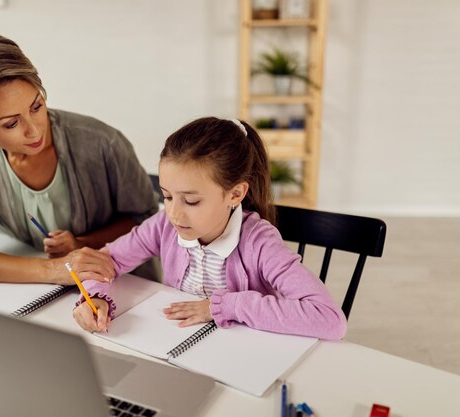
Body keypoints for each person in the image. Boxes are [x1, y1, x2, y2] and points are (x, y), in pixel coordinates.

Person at [73, 117, 347, 340]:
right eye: (167, 196)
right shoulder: (164, 226)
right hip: (179, 344)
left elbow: (329, 319)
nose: (174, 212)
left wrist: (224, 306)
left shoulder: (260, 244)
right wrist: (95, 297)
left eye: (191, 200)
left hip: (245, 350)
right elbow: (105, 260)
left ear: (235, 194)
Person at [0, 32, 157, 285]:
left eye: (36, 106)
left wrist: (83, 243)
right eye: (11, 123)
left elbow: (150, 222)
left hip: (120, 287)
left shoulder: (103, 142)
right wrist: (52, 270)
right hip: (40, 291)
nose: (35, 130)